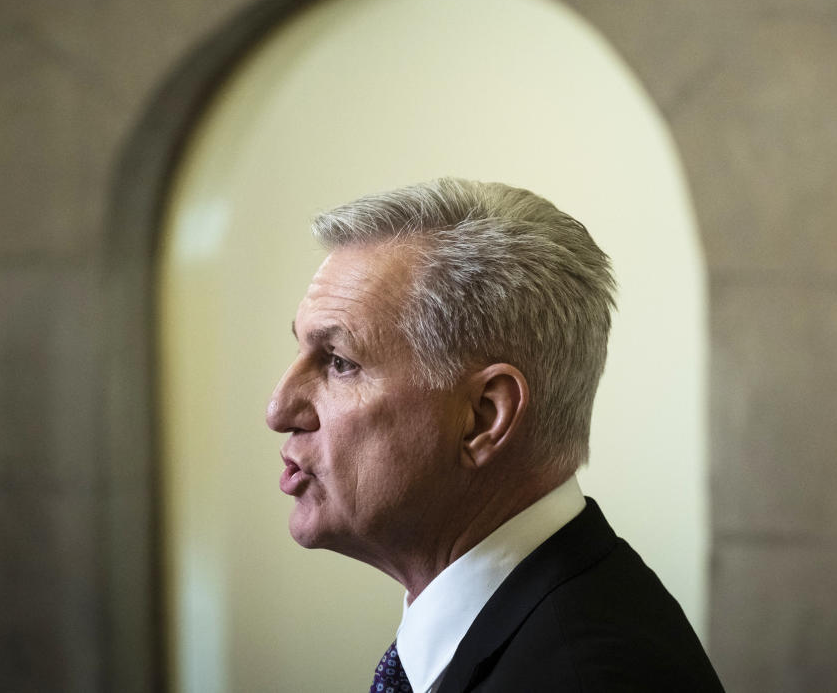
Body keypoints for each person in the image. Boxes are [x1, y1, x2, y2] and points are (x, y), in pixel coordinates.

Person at [266, 177, 723, 692]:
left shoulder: (584, 678)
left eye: (340, 363)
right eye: (302, 351)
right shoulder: (542, 618)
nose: (279, 409)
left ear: (484, 417)